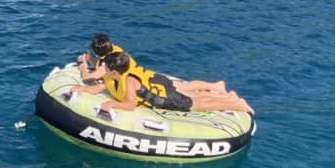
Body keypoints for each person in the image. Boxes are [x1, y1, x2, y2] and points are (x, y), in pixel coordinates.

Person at [75, 50, 253, 114]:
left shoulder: (129, 80)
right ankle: (228, 97)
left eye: (106, 68)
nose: (103, 69)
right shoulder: (113, 77)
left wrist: (111, 104)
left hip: (163, 98)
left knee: (199, 105)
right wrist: (83, 90)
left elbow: (130, 105)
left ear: (114, 71)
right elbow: (101, 87)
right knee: (195, 98)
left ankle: (237, 104)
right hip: (159, 88)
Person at [78, 33, 227, 94]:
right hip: (144, 76)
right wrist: (90, 59)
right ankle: (212, 87)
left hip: (145, 81)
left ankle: (216, 86)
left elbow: (88, 78)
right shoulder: (114, 51)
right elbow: (101, 65)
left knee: (181, 88)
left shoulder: (108, 63)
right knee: (181, 87)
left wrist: (84, 65)